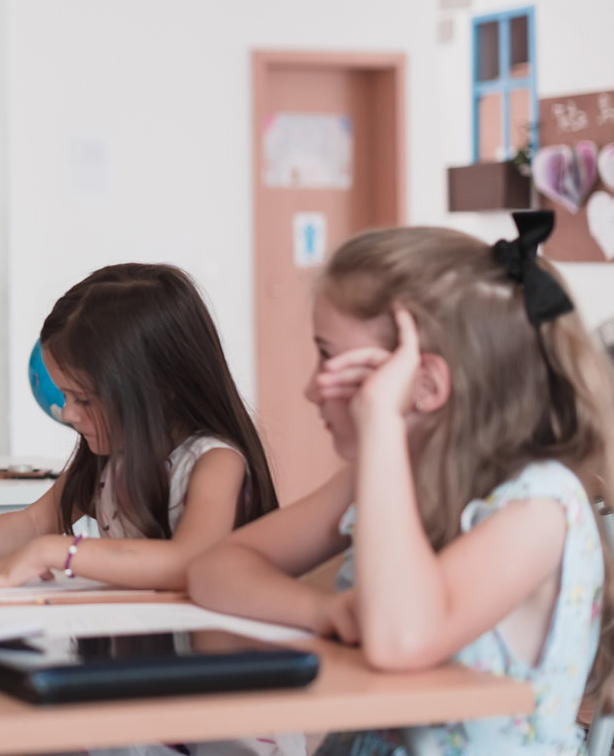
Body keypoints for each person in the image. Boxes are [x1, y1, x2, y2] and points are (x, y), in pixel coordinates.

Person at [188, 213, 614, 754]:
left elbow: (400, 640)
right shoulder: (379, 480)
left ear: (423, 383)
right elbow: (216, 568)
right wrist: (321, 611)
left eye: (328, 358)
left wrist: (383, 423)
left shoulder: (539, 508)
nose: (310, 390)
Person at [0, 263, 279, 593]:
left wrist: (54, 551)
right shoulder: (113, 455)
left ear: (159, 391)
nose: (66, 414)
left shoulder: (215, 463)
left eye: (84, 400)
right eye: (65, 396)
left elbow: (189, 561)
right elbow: (35, 521)